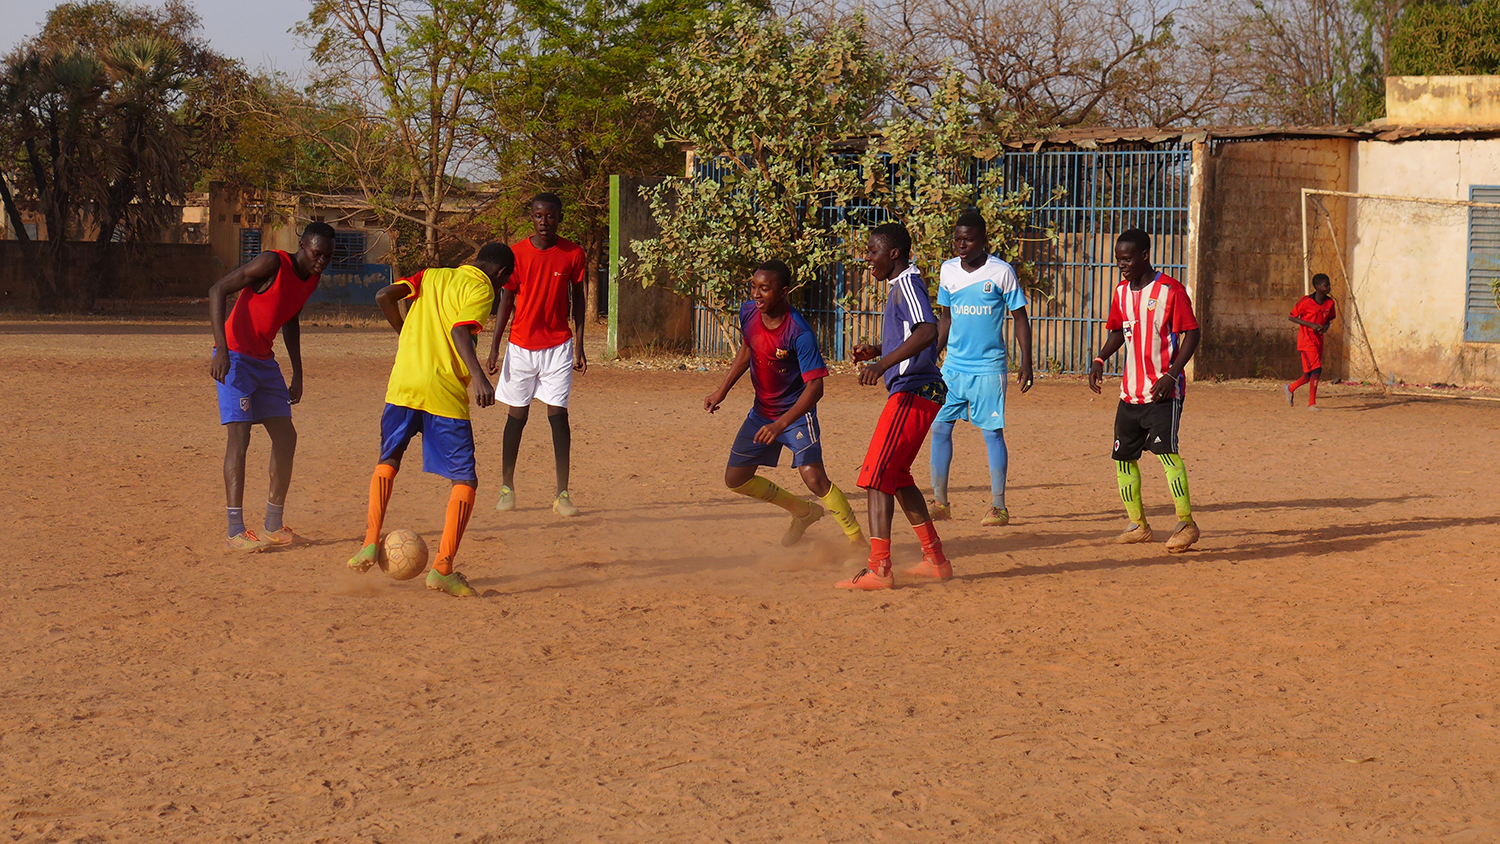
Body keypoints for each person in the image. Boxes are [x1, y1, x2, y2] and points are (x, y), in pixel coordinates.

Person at [348, 243, 516, 598]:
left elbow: (383, 295)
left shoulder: (432, 275)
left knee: (388, 460)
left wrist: (406, 334)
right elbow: (459, 332)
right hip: (442, 391)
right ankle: (442, 569)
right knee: (465, 480)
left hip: (403, 385)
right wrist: (480, 379)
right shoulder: (482, 288)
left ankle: (368, 542)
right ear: (501, 275)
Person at [704, 260, 866, 550]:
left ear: (783, 292)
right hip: (762, 412)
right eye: (753, 287)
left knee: (814, 478)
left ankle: (857, 542)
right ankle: (804, 512)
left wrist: (781, 424)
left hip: (794, 415)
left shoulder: (799, 332)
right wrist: (722, 390)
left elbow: (816, 387)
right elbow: (747, 348)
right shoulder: (748, 312)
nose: (756, 294)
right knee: (736, 479)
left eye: (764, 289)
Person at [208, 222, 335, 551]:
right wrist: (221, 349)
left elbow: (290, 318)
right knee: (240, 436)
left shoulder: (312, 279)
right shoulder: (272, 263)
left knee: (285, 436)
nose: (321, 260)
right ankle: (235, 530)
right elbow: (217, 290)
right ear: (303, 245)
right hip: (234, 357)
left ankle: (273, 525)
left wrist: (298, 372)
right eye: (317, 253)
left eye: (328, 256)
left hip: (264, 362)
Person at [839, 222, 951, 591]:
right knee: (898, 477)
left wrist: (882, 365)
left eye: (872, 251)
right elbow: (914, 337)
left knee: (875, 475)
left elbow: (927, 331)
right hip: (918, 389)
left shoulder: (907, 284)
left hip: (913, 391)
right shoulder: (901, 285)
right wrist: (879, 352)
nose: (867, 258)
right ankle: (935, 559)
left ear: (894, 254)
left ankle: (879, 569)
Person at [1087, 228, 1202, 553]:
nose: (1121, 265)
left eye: (1127, 259)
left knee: (1167, 454)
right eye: (1118, 259)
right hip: (1130, 394)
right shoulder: (1121, 292)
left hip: (1163, 393)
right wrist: (1100, 358)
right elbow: (1118, 333)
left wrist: (1172, 374)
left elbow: (1192, 334)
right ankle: (1138, 525)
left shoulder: (1170, 290)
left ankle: (1186, 523)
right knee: (1123, 459)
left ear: (1144, 256)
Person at [484, 193, 588, 517]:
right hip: (521, 346)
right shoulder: (516, 253)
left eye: (551, 216)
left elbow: (580, 301)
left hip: (558, 346)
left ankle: (562, 494)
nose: (544, 222)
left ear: (560, 217)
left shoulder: (573, 253)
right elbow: (506, 302)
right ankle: (506, 488)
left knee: (559, 417)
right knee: (518, 415)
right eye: (539, 216)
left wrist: (581, 345)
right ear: (531, 217)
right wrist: (495, 345)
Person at [929, 210, 1033, 527]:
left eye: (968, 239)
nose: (962, 245)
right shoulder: (948, 271)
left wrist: (1026, 361)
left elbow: (1020, 318)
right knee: (939, 428)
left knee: (991, 434)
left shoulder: (1001, 272)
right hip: (953, 368)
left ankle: (998, 506)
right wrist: (933, 355)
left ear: (983, 240)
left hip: (989, 368)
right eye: (958, 239)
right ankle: (940, 501)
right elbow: (945, 318)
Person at [1285, 273, 1337, 410]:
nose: (1329, 287)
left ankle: (1290, 388)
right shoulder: (1306, 302)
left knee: (1310, 374)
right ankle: (1311, 403)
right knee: (1317, 369)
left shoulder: (1330, 303)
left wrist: (1325, 327)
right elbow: (1292, 317)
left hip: (1318, 339)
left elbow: (1329, 320)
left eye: (1329, 284)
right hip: (1306, 340)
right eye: (1326, 285)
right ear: (1317, 287)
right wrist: (1310, 325)